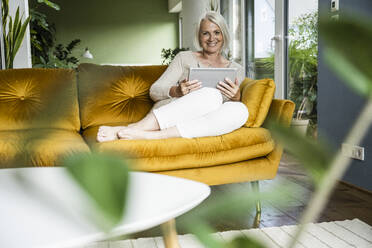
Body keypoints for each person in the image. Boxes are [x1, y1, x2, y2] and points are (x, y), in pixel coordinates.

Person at [96, 11, 249, 142]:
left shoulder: (237, 70)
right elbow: (154, 91)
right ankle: (134, 129)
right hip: (172, 116)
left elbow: (227, 111)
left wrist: (236, 97)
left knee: (241, 110)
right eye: (205, 33)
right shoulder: (184, 58)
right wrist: (177, 91)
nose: (211, 38)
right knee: (212, 96)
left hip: (201, 124)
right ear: (199, 36)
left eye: (217, 32)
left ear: (224, 35)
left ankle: (152, 136)